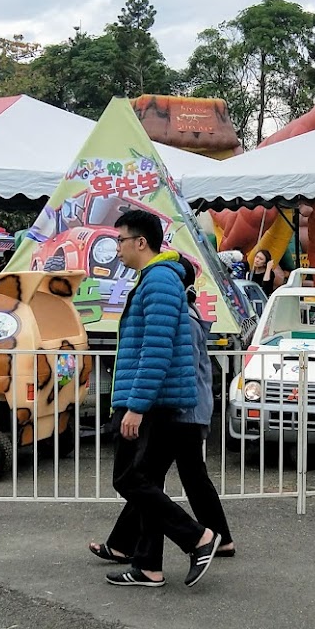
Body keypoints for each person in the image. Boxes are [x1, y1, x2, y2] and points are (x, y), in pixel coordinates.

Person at [100, 207, 221, 588]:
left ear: (141, 242)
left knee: (129, 479)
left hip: (150, 402)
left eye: (120, 240)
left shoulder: (159, 281)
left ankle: (197, 536)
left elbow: (157, 347)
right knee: (145, 480)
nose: (116, 247)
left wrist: (135, 406)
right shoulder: (155, 279)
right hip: (153, 399)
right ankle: (148, 565)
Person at [88, 256, 235, 566]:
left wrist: (142, 404)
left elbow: (174, 365)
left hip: (182, 411)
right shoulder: (186, 313)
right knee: (159, 480)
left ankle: (197, 538)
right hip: (184, 409)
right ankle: (132, 547)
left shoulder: (183, 317)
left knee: (145, 481)